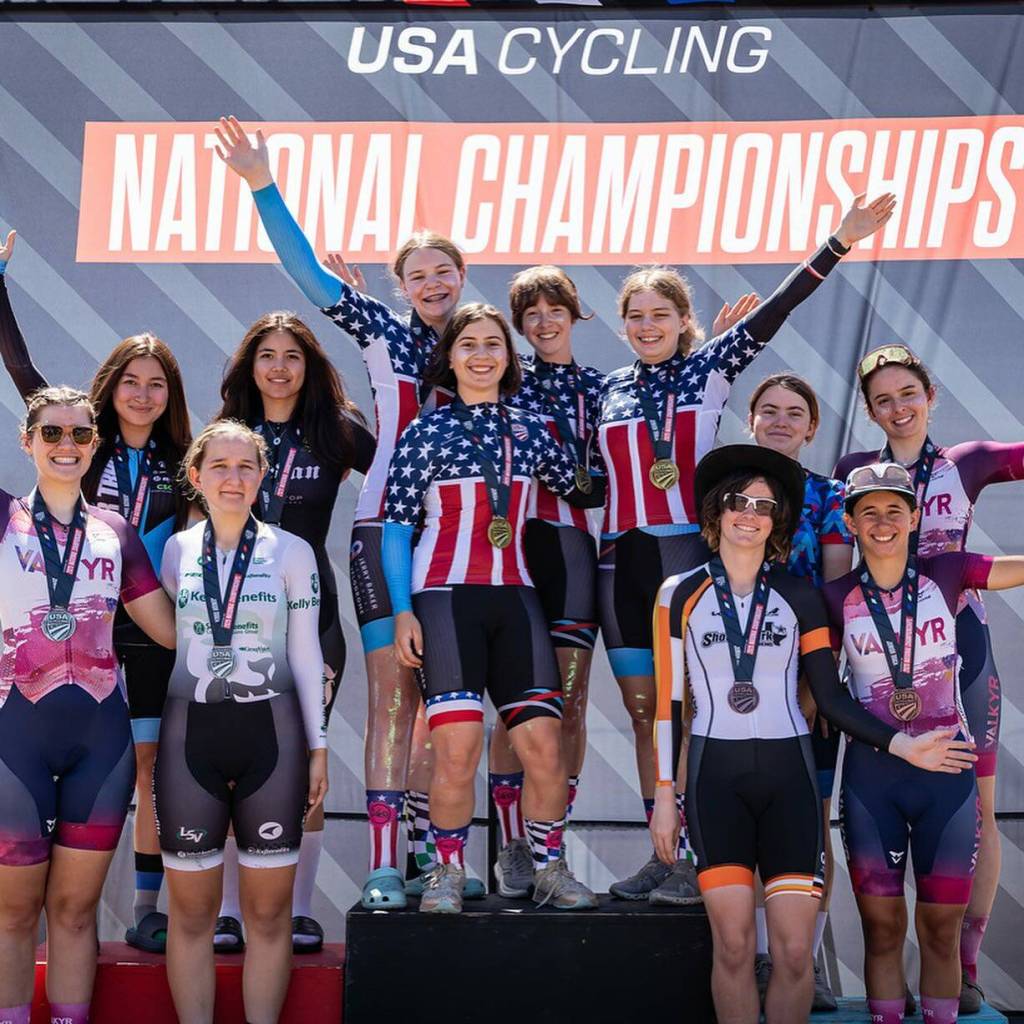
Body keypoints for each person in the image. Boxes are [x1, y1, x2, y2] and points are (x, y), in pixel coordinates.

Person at [597, 194, 896, 900]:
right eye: (635, 317)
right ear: (624, 326)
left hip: (683, 557)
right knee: (649, 713)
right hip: (620, 562)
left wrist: (838, 241)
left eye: (660, 315)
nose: (647, 326)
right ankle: (663, 850)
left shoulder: (710, 370)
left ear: (683, 323)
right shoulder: (600, 388)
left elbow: (778, 310)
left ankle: (699, 850)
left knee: (695, 705)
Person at [215, 115, 465, 909]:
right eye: (417, 276)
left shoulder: (492, 346)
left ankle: (434, 849)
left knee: (446, 699)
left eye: (442, 272)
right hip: (383, 529)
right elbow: (303, 275)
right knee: (391, 692)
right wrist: (261, 182)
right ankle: (386, 863)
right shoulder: (383, 332)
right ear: (401, 287)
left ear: (462, 276)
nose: (430, 285)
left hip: (460, 537)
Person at [650, 444, 975, 1024]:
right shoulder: (677, 593)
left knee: (795, 953)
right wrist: (662, 798)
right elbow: (669, 706)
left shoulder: (801, 597)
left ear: (777, 522)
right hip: (710, 781)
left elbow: (830, 698)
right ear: (715, 512)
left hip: (791, 783)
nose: (749, 514)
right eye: (737, 502)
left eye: (764, 506)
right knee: (731, 947)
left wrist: (903, 746)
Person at [0, 229, 191, 954]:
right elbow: (23, 369)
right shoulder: (80, 440)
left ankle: (145, 904)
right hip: (73, 638)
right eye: (131, 381)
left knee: (145, 771)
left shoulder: (186, 460)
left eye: (157, 383)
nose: (142, 394)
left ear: (171, 396)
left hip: (147, 630)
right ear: (109, 389)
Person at [382, 303, 602, 913]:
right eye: (468, 345)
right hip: (444, 601)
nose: (482, 354)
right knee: (457, 749)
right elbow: (397, 530)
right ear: (449, 360)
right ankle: (446, 872)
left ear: (509, 359)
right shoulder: (424, 432)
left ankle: (551, 869)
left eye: (493, 345)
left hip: (518, 600)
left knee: (544, 747)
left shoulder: (534, 429)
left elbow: (588, 486)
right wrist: (402, 611)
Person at [835, 344, 1024, 1014]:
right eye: (882, 399)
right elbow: (831, 561)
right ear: (869, 410)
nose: (897, 407)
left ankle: (964, 967)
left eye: (907, 393)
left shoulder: (965, 461)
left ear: (931, 394)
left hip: (958, 652)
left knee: (977, 805)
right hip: (881, 663)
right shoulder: (855, 470)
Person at [0, 385, 176, 1024]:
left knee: (75, 913)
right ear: (28, 441)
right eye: (51, 433)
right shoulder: (0, 516)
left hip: (102, 740)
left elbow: (169, 627)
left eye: (79, 434)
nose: (66, 445)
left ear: (94, 444)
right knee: (15, 913)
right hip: (11, 737)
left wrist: (266, 639)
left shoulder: (116, 531)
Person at [155, 420, 328, 1024]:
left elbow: (306, 653)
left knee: (268, 917)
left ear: (262, 476)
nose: (233, 478)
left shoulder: (293, 551)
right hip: (190, 742)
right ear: (196, 477)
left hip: (274, 742)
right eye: (220, 467)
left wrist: (320, 745)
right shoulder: (177, 549)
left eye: (245, 466)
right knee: (193, 917)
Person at [215, 311, 375, 951]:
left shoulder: (337, 432)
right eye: (266, 356)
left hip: (315, 620)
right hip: (232, 620)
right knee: (231, 763)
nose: (279, 367)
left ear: (309, 367)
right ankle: (229, 911)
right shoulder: (226, 435)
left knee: (307, 762)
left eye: (292, 356)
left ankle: (299, 911)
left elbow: (408, 477)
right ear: (249, 368)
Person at [485, 265, 606, 899]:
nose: (543, 321)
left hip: (573, 550)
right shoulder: (501, 383)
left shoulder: (603, 386)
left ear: (575, 313)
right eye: (529, 313)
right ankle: (513, 848)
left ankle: (549, 841)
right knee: (514, 704)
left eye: (554, 308)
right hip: (511, 550)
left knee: (570, 702)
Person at [747, 373, 854, 1010]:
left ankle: (802, 962)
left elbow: (836, 601)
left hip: (807, 691)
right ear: (751, 420)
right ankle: (756, 956)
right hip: (728, 686)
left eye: (795, 413)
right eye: (769, 411)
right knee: (740, 829)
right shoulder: (727, 495)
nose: (781, 422)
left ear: (811, 427)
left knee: (809, 827)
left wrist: (818, 689)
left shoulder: (830, 496)